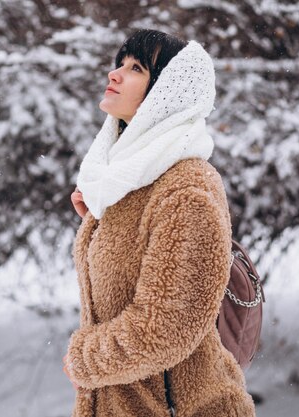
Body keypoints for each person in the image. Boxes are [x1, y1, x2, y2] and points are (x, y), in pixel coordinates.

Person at [63, 29, 256, 417]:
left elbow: (162, 331)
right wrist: (103, 231)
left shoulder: (187, 190)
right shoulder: (132, 181)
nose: (114, 74)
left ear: (168, 95)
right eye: (119, 63)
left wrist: (82, 359)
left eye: (136, 68)